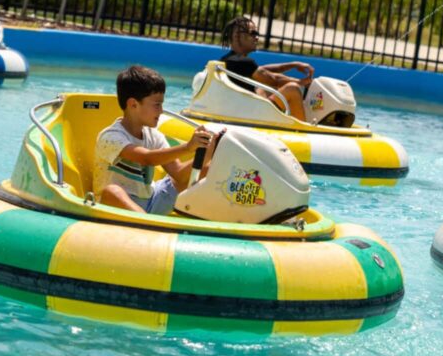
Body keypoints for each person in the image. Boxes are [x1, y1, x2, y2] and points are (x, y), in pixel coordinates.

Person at [94, 65, 213, 215]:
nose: (162, 111)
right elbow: (145, 158)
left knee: (207, 169)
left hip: (152, 199)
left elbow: (179, 174)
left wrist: (208, 152)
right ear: (133, 104)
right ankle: (145, 224)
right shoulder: (111, 137)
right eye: (157, 105)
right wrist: (188, 147)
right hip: (116, 207)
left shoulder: (153, 135)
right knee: (112, 191)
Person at [220, 16, 314, 121]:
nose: (257, 37)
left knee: (263, 86)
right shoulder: (241, 62)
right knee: (293, 89)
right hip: (253, 114)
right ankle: (303, 130)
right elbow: (274, 79)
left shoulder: (230, 60)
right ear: (237, 36)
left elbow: (264, 70)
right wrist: (303, 82)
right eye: (253, 33)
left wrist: (293, 64)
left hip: (244, 110)